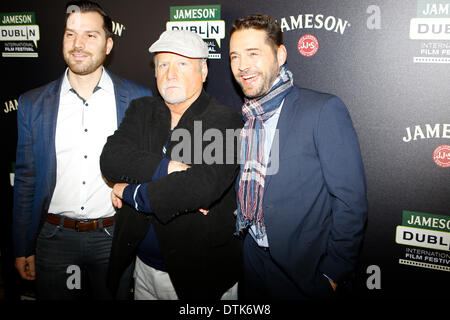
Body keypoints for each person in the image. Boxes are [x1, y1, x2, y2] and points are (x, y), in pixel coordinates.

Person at [12, 0, 152, 300]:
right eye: (70, 34)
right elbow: (26, 179)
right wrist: (22, 246)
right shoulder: (32, 104)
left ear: (108, 44)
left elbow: (147, 170)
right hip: (53, 240)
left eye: (90, 35)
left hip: (114, 237)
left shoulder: (139, 100)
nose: (78, 44)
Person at [229, 14, 368, 300]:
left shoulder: (323, 110)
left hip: (305, 273)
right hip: (252, 259)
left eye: (253, 54)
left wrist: (331, 274)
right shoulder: (247, 117)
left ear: (280, 55)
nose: (242, 66)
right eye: (234, 57)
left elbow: (350, 201)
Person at [99, 30, 242, 300]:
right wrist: (166, 168)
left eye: (182, 64)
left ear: (203, 71)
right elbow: (111, 158)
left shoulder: (225, 121)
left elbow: (201, 187)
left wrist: (127, 191)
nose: (170, 73)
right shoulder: (142, 110)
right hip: (142, 270)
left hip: (201, 276)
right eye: (163, 64)